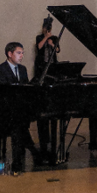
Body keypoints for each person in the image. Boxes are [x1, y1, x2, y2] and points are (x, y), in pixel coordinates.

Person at [0, 42, 42, 175]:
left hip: (17, 110)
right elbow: (0, 94)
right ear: (9, 54)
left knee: (18, 123)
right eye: (19, 53)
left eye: (23, 53)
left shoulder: (23, 69)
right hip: (1, 110)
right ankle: (26, 156)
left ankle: (24, 159)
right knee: (18, 125)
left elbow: (24, 90)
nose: (22, 56)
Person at [34, 17, 60, 159]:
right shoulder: (39, 37)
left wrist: (52, 43)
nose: (48, 30)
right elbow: (38, 47)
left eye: (49, 28)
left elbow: (57, 50)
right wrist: (45, 38)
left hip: (52, 69)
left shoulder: (55, 37)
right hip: (41, 69)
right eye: (46, 27)